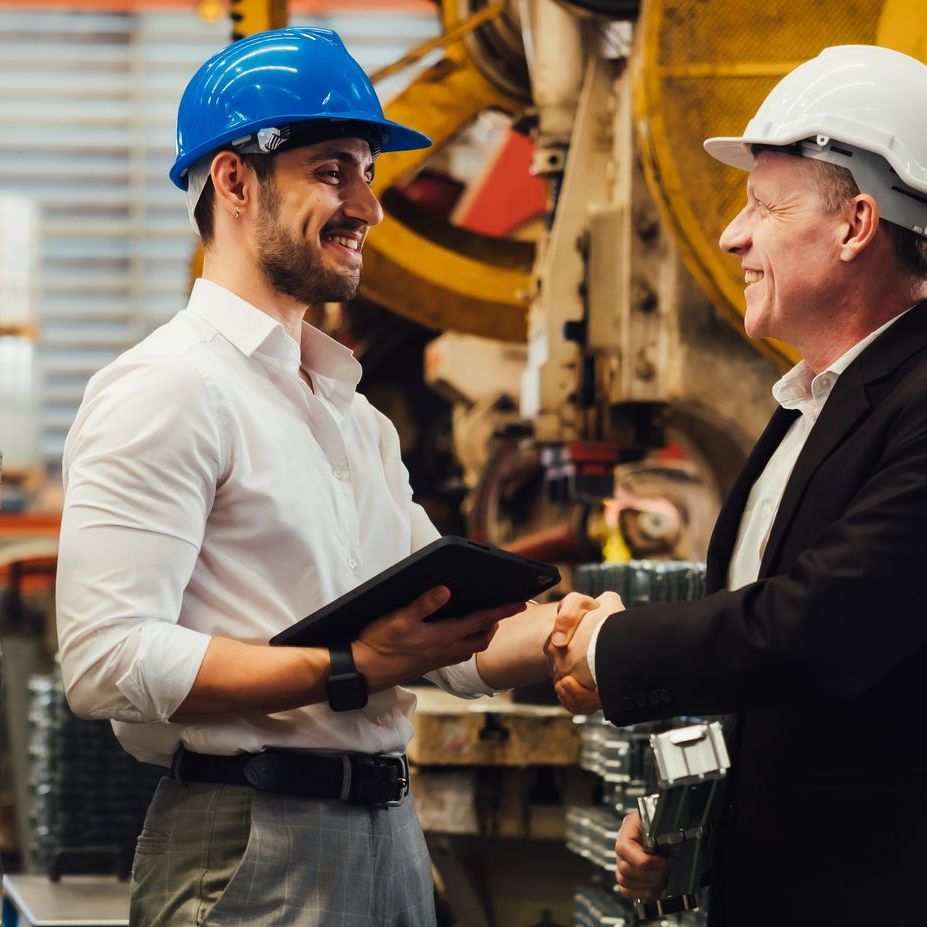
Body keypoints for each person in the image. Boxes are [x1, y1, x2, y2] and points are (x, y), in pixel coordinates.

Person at [55, 28, 596, 927]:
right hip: (249, 839)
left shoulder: (351, 415)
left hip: (386, 833)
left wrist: (570, 635)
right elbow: (105, 660)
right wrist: (346, 667)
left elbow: (443, 635)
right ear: (233, 180)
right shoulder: (168, 389)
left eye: (367, 175)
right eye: (332, 171)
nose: (368, 209)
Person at [547, 44, 927, 927]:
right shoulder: (812, 406)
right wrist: (695, 823)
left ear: (855, 224)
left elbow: (823, 627)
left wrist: (614, 645)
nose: (730, 234)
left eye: (763, 204)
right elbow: (779, 700)